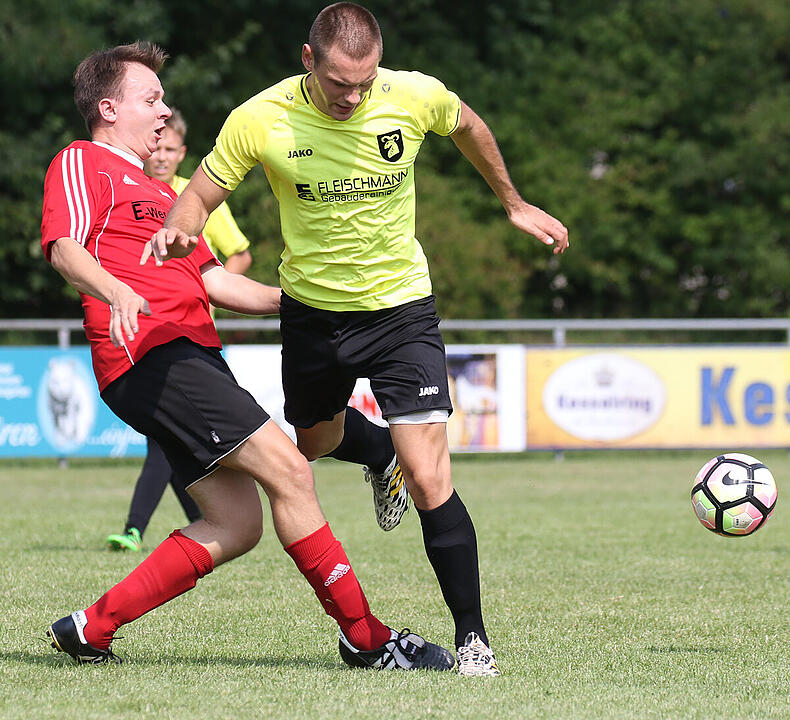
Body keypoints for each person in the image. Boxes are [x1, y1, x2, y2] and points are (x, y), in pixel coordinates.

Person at [151, 2, 569, 678]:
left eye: (365, 82)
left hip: (401, 309)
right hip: (313, 316)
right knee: (313, 441)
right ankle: (377, 455)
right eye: (341, 82)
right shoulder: (261, 118)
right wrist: (180, 225)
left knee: (432, 476)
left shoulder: (412, 93)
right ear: (309, 60)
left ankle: (473, 641)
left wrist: (513, 203)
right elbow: (198, 195)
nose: (354, 96)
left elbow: (468, 124)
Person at [41, 40, 454, 672]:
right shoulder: (82, 161)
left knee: (236, 525)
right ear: (106, 108)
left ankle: (93, 628)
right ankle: (367, 640)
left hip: (190, 357)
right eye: (150, 99)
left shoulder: (161, 195)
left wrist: (311, 300)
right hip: (152, 354)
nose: (164, 111)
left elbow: (214, 283)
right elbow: (65, 249)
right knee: (291, 470)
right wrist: (116, 289)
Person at [106, 108, 253, 553]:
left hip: (188, 336)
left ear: (182, 153)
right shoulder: (132, 192)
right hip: (143, 337)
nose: (163, 156)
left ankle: (147, 528)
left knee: (167, 442)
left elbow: (238, 254)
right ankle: (204, 524)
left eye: (172, 149)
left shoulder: (193, 196)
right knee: (167, 441)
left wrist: (202, 289)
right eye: (159, 147)